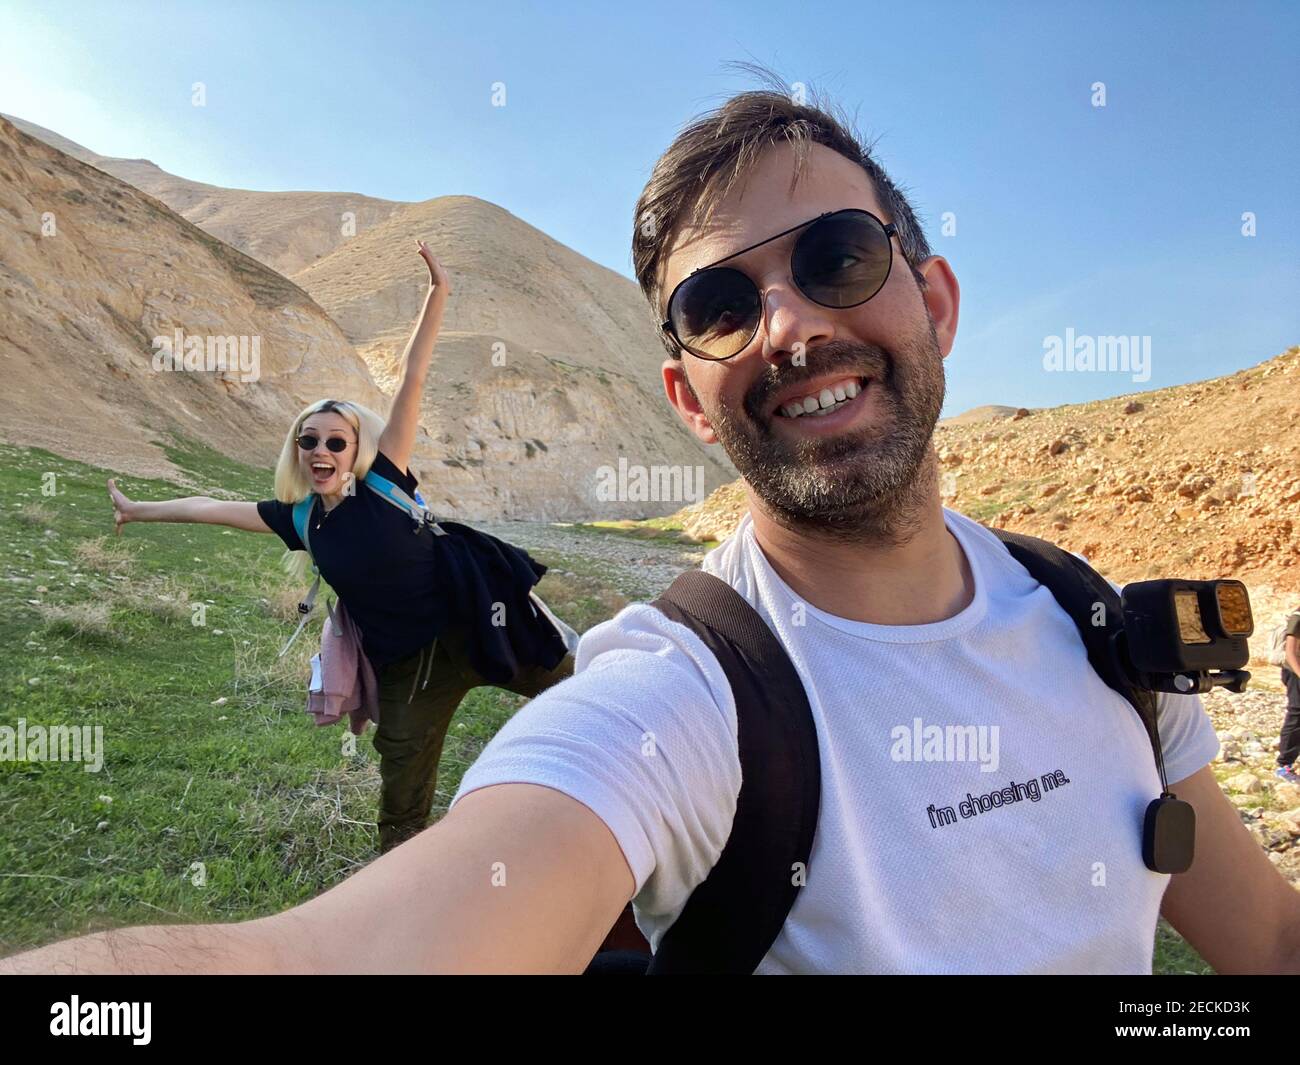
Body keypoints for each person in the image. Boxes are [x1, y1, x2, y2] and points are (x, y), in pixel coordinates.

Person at [6, 79, 1300, 975]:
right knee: (422, 788)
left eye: (839, 256)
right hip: (406, 667)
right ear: (685, 394)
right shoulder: (680, 699)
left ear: (938, 298)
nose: (789, 322)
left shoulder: (1099, 629)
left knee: (525, 686)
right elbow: (325, 964)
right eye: (724, 300)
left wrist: (438, 305)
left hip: (472, 632)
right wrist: (131, 500)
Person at [103, 242, 575, 854]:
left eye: (335, 441)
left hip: (483, 625)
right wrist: (137, 511)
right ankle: (400, 893)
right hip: (409, 670)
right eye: (310, 442)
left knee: (588, 688)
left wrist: (439, 293)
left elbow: (414, 378)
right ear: (298, 452)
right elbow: (209, 509)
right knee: (401, 802)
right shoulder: (301, 519)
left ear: (356, 451)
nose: (322, 451)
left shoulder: (385, 486)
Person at [1276, 608, 1300, 783]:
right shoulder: (1298, 617)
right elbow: (1290, 653)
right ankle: (1284, 765)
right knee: (1296, 715)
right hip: (1295, 673)